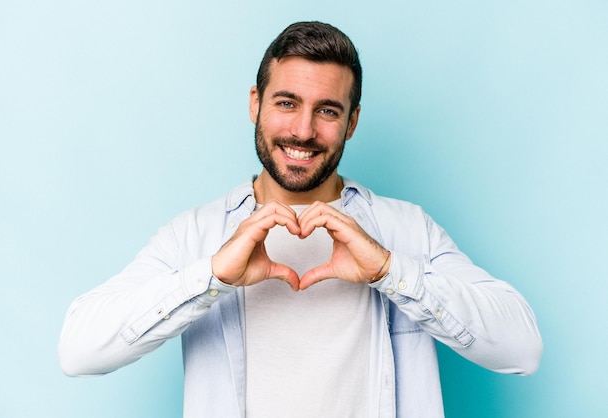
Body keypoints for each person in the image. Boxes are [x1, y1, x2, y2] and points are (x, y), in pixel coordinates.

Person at [59, 21, 542, 418]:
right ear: (256, 103)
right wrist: (211, 277)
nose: (303, 130)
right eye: (286, 103)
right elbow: (78, 351)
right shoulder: (194, 235)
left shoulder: (407, 229)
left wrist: (390, 272)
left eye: (327, 110)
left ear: (352, 122)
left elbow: (522, 349)